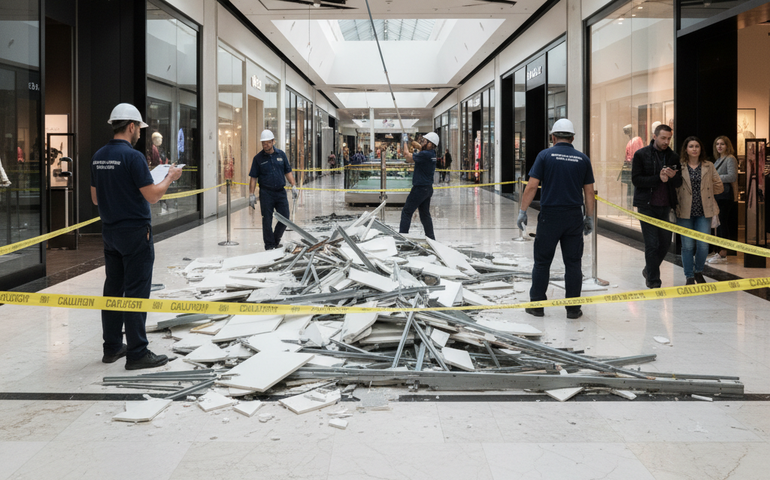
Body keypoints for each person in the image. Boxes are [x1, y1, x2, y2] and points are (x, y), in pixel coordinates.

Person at [90, 103, 182, 370]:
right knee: (136, 292)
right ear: (131, 126)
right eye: (139, 129)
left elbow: (95, 198)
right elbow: (152, 195)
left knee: (113, 289)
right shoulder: (133, 157)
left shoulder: (98, 156)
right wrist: (171, 177)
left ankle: (112, 347)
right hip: (135, 233)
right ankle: (137, 353)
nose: (140, 133)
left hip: (110, 233)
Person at [516, 119, 595, 319]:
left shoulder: (545, 155)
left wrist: (523, 211)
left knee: (542, 262)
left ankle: (537, 306)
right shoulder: (582, 159)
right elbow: (589, 192)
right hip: (573, 216)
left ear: (553, 137)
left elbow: (532, 186)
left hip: (550, 216)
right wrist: (589, 217)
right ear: (573, 138)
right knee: (573, 263)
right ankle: (573, 309)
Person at [632, 124, 682, 289]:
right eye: (663, 138)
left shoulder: (673, 156)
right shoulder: (641, 154)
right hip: (647, 205)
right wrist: (657, 178)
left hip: (666, 206)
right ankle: (654, 280)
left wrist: (673, 177)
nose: (666, 141)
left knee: (665, 243)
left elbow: (679, 182)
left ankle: (649, 269)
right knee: (652, 243)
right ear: (654, 136)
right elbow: (636, 180)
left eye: (669, 138)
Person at [675, 136, 723, 285]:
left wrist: (707, 193)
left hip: (704, 210)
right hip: (684, 211)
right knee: (687, 246)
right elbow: (675, 186)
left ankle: (698, 272)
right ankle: (689, 275)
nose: (694, 149)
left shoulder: (708, 165)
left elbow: (719, 185)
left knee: (703, 245)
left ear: (700, 148)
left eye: (697, 146)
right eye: (691, 146)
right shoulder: (680, 166)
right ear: (686, 149)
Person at [248, 129, 298, 250]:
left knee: (285, 217)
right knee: (267, 220)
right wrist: (251, 194)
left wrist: (293, 185)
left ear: (273, 141)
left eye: (268, 143)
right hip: (266, 193)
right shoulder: (258, 159)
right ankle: (269, 246)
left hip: (280, 192)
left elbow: (288, 171)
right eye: (263, 143)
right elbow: (253, 178)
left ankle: (275, 240)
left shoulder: (281, 155)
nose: (266, 145)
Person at [400, 132, 439, 240]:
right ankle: (431, 239)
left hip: (419, 189)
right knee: (424, 215)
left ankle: (402, 239)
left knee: (406, 212)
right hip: (427, 189)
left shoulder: (425, 154)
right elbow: (419, 148)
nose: (423, 142)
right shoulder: (432, 154)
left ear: (431, 144)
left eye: (425, 141)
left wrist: (405, 141)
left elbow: (407, 156)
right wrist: (412, 140)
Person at [708, 136, 738, 264]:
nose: (719, 146)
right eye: (717, 144)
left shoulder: (730, 159)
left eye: (722, 144)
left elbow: (732, 176)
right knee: (718, 224)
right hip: (718, 195)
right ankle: (718, 252)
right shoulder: (719, 159)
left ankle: (723, 253)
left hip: (725, 195)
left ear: (727, 145)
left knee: (722, 223)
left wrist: (715, 177)